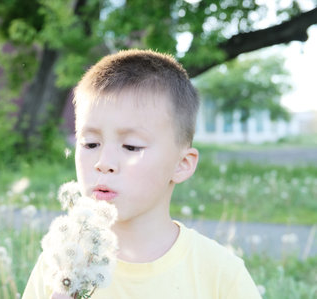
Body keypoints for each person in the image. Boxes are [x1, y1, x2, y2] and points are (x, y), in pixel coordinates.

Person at [22, 49, 261, 299]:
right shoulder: (61, 267)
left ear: (182, 164)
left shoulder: (221, 275)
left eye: (131, 147)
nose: (104, 163)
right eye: (91, 144)